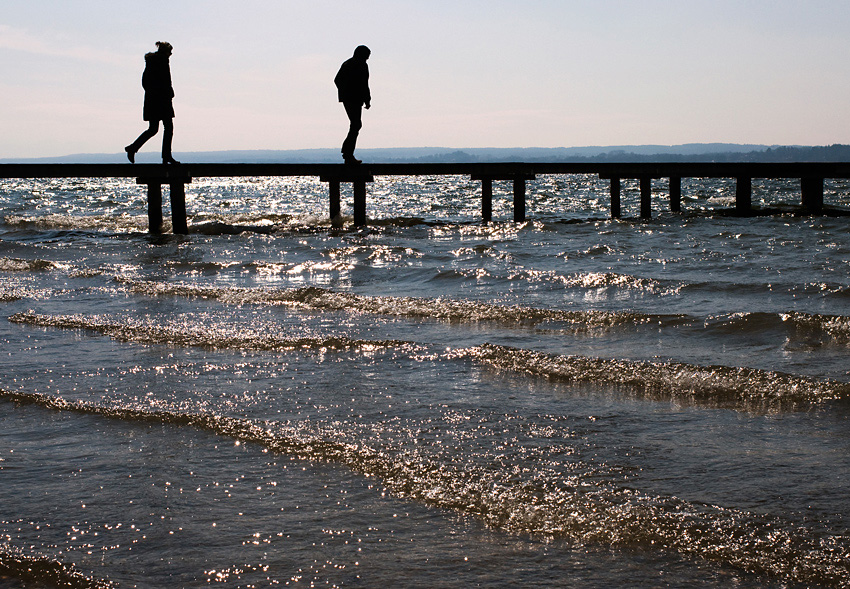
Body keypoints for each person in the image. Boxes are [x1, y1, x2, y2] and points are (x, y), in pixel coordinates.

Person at [125, 41, 179, 164]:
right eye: (169, 51)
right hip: (161, 101)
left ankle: (133, 148)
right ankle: (166, 156)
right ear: (165, 51)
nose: (171, 54)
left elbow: (146, 83)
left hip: (154, 101)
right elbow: (164, 81)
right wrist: (166, 93)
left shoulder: (153, 62)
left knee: (154, 129)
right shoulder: (161, 61)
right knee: (167, 128)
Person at [334, 45, 371, 164]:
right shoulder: (354, 65)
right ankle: (347, 153)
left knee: (356, 125)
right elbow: (338, 80)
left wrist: (366, 99)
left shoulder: (351, 64)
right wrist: (348, 92)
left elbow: (364, 84)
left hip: (353, 99)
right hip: (352, 99)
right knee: (356, 124)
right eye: (366, 57)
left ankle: (347, 153)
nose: (367, 59)